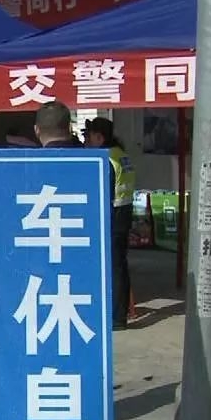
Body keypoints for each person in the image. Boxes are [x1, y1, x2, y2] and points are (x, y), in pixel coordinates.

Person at [84, 117, 136, 331]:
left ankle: (116, 317)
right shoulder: (121, 154)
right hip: (124, 214)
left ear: (99, 137)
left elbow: (102, 194)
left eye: (89, 136)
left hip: (113, 216)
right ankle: (119, 313)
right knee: (119, 266)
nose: (86, 140)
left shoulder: (106, 160)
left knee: (113, 268)